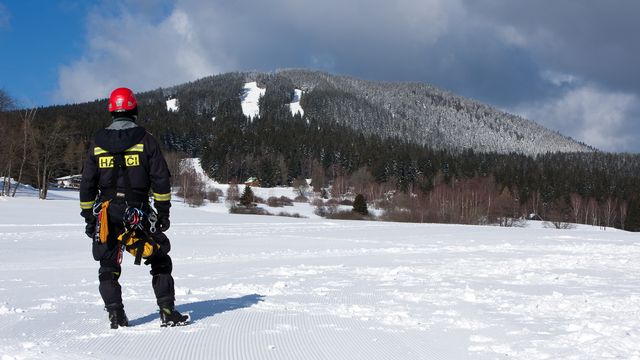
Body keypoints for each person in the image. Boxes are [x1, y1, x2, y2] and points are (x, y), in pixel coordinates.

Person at [79, 87, 189, 329]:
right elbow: (160, 179)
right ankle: (167, 311)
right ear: (134, 109)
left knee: (108, 264)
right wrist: (163, 213)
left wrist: (89, 217)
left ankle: (116, 316)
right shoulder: (146, 140)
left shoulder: (97, 142)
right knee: (159, 256)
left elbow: (87, 182)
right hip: (137, 212)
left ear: (111, 110)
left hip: (106, 214)